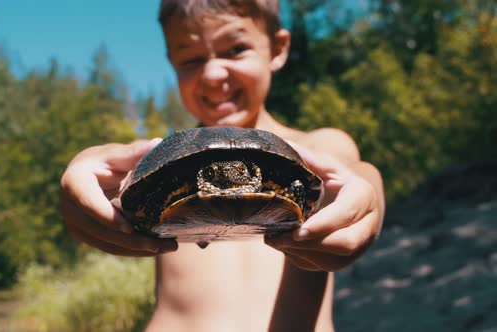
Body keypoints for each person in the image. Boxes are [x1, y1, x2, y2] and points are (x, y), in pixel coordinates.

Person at [60, 0, 385, 331]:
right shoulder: (163, 157)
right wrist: (78, 184)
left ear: (277, 48)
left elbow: (355, 175)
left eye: (236, 49)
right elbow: (103, 194)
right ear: (171, 62)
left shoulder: (316, 146)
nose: (213, 74)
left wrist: (368, 199)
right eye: (192, 59)